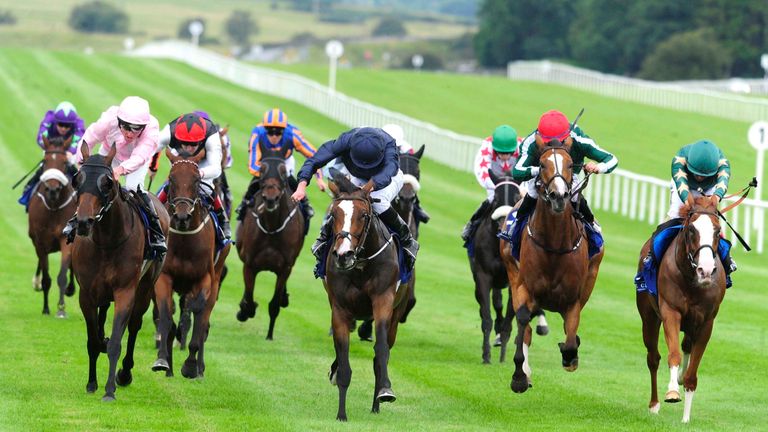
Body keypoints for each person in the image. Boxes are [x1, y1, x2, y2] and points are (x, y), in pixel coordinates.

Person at [291, 127, 419, 270]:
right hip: (357, 176)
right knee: (345, 204)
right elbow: (315, 160)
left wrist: (367, 189)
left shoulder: (388, 144)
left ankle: (407, 239)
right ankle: (323, 238)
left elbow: (389, 170)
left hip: (387, 178)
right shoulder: (345, 140)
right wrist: (301, 186)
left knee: (379, 202)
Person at [63, 96, 166, 257]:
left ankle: (156, 232)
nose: (130, 133)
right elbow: (88, 138)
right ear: (118, 121)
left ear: (144, 126)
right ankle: (76, 219)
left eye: (136, 128)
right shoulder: (108, 120)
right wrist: (82, 164)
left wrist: (119, 170)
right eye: (125, 127)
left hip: (136, 160)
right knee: (92, 183)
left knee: (133, 187)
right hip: (110, 154)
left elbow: (139, 157)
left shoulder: (152, 129)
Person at [510, 109, 618, 234]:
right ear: (540, 137)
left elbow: (612, 159)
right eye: (548, 143)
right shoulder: (531, 142)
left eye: (560, 142)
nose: (554, 146)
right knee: (533, 194)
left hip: (569, 176)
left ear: (567, 137)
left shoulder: (578, 138)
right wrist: (540, 169)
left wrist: (598, 167)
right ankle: (515, 227)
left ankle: (591, 227)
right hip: (542, 177)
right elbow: (517, 171)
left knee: (575, 196)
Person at [654, 139, 736, 283]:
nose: (700, 177)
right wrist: (688, 203)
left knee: (711, 224)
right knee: (674, 216)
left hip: (711, 188)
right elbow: (682, 188)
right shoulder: (679, 160)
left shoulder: (723, 163)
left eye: (704, 175)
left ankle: (727, 262)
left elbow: (722, 185)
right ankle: (650, 258)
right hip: (684, 184)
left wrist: (715, 200)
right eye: (697, 174)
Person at [236, 108, 326, 222]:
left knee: (289, 179)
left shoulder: (292, 134)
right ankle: (245, 202)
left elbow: (314, 155)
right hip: (265, 163)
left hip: (285, 162)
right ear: (264, 129)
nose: (274, 136)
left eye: (278, 132)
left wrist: (319, 178)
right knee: (256, 181)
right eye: (270, 131)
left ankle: (305, 204)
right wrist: (268, 174)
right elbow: (253, 165)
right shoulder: (257, 134)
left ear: (284, 130)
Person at [153, 112, 230, 239]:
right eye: (184, 143)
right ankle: (154, 216)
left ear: (200, 141)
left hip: (203, 162)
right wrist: (151, 166)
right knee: (173, 184)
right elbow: (148, 149)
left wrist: (195, 174)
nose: (189, 148)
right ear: (178, 138)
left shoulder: (212, 136)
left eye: (193, 144)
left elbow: (216, 169)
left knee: (206, 187)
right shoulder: (168, 131)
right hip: (179, 157)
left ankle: (223, 221)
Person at [18, 101, 86, 208]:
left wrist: (70, 152)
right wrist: (49, 148)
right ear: (55, 122)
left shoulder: (79, 124)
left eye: (67, 126)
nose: (63, 128)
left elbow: (79, 140)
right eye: (60, 124)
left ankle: (83, 201)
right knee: (41, 170)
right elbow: (41, 137)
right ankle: (27, 194)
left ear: (72, 124)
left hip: (68, 152)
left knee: (77, 174)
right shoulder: (49, 118)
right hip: (51, 149)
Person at [461, 124, 519, 242]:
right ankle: (472, 224)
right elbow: (482, 173)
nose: (505, 156)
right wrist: (499, 188)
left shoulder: (522, 147)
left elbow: (527, 174)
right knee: (492, 199)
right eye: (501, 153)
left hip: (516, 182)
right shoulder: (486, 147)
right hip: (494, 181)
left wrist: (520, 188)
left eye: (508, 153)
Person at [381, 123, 430, 224]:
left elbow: (411, 171)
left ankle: (417, 207)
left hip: (399, 180)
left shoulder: (408, 149)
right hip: (379, 180)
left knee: (409, 192)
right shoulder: (377, 147)